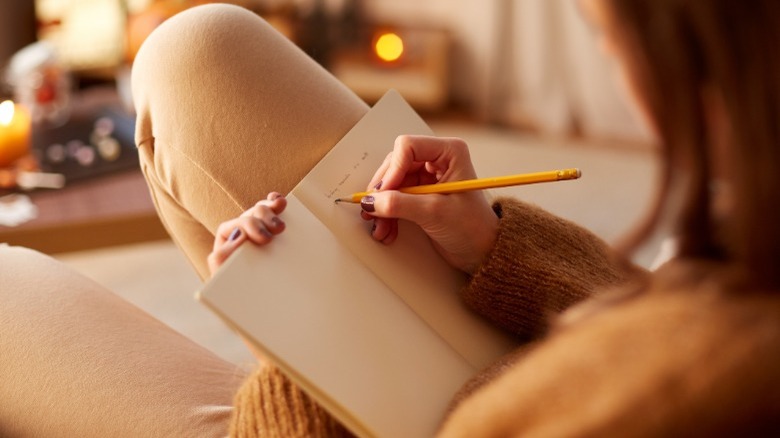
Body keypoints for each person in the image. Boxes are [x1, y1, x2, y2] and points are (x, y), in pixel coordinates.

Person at [0, 1, 777, 437]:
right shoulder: (751, 256)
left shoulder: (709, 383)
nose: (619, 69)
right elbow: (644, 317)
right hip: (505, 362)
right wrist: (498, 245)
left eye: (609, 40)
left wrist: (303, 345)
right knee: (199, 51)